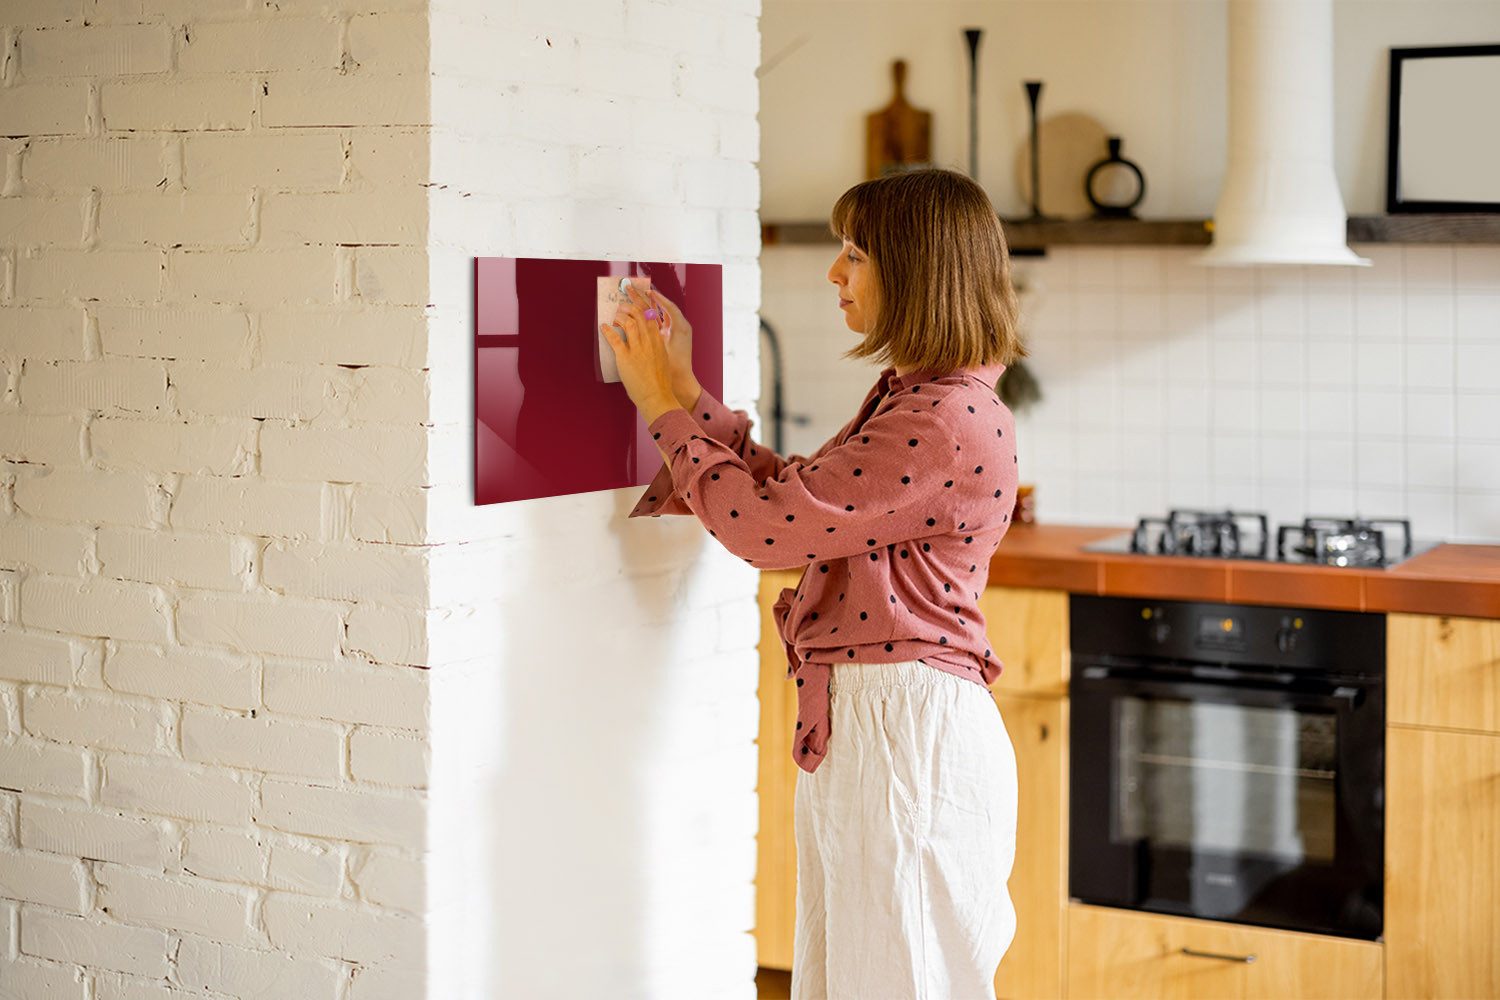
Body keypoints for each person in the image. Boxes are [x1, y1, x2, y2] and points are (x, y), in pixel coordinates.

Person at [603, 167, 1026, 1000]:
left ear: (915, 271)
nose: (836, 273)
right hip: (885, 726)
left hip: (905, 735)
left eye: (855, 254)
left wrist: (659, 403)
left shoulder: (941, 419)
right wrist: (687, 393)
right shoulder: (922, 400)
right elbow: (799, 498)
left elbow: (767, 531)